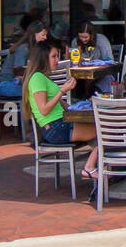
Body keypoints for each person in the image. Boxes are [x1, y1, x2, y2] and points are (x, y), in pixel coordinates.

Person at [23, 42, 98, 181]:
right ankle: (89, 168)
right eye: (54, 56)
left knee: (99, 134)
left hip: (61, 124)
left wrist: (80, 106)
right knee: (104, 130)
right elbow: (44, 109)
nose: (58, 60)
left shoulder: (43, 77)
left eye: (57, 56)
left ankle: (100, 167)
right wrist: (63, 90)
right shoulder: (37, 78)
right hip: (56, 127)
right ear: (43, 58)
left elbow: (60, 103)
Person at [0, 20, 49, 99]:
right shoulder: (23, 49)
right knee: (38, 91)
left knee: (45, 89)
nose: (45, 38)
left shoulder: (32, 48)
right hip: (6, 85)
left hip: (17, 84)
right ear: (34, 34)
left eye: (46, 35)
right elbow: (19, 73)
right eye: (43, 35)